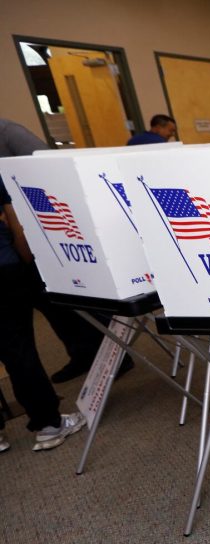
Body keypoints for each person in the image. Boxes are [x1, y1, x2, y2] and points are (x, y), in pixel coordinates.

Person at [0, 119, 108, 384]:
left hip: (38, 223)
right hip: (16, 233)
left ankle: (108, 354)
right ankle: (84, 353)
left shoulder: (8, 131)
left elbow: (48, 169)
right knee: (50, 302)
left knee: (69, 296)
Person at [0, 178, 86, 452]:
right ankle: (49, 425)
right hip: (3, 270)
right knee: (19, 351)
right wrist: (28, 262)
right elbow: (14, 222)